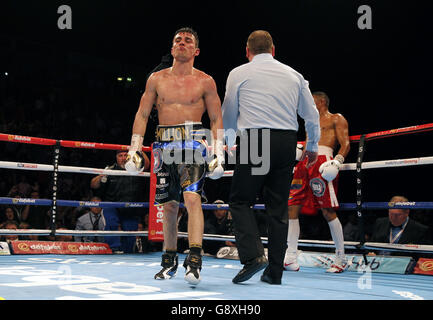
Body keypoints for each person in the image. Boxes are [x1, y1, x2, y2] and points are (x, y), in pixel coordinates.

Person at [125, 27, 224, 285]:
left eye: (187, 40)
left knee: (192, 198)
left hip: (193, 143)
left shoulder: (206, 81)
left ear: (196, 50)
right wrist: (134, 148)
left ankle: (194, 259)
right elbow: (143, 114)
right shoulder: (156, 79)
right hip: (162, 145)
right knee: (168, 207)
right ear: (172, 49)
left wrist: (219, 153)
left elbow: (216, 118)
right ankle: (168, 260)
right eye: (177, 40)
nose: (182, 43)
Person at [222, 30, 320, 285]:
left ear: (247, 51)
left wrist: (230, 143)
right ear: (273, 50)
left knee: (241, 201)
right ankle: (274, 272)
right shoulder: (294, 75)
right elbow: (311, 115)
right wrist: (312, 145)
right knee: (278, 209)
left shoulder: (239, 73)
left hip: (257, 139)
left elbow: (229, 111)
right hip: (287, 142)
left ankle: (254, 257)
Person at [285, 91, 350, 273]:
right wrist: (301, 151)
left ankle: (341, 257)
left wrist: (337, 161)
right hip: (305, 163)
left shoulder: (336, 118)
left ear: (322, 101)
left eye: (311, 100)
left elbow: (345, 144)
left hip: (323, 162)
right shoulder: (309, 122)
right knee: (292, 206)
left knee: (327, 210)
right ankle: (290, 256)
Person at [90, 150, 150, 253]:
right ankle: (113, 250)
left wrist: (138, 148)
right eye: (120, 155)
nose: (122, 158)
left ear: (129, 156)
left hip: (131, 206)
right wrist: (101, 175)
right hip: (112, 205)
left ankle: (128, 252)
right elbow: (93, 185)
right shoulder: (111, 170)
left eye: (125, 155)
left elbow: (147, 164)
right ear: (116, 157)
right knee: (111, 221)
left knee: (130, 231)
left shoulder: (136, 168)